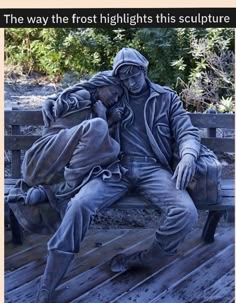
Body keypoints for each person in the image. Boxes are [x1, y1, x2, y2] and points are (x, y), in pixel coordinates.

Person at [35, 48, 201, 303]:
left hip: (153, 169)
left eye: (134, 75)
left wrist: (188, 155)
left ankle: (144, 258)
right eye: (124, 78)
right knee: (79, 204)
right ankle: (49, 280)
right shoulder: (115, 93)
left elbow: (187, 132)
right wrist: (54, 100)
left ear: (144, 70)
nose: (130, 82)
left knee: (186, 212)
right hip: (114, 169)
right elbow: (85, 89)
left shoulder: (166, 98)